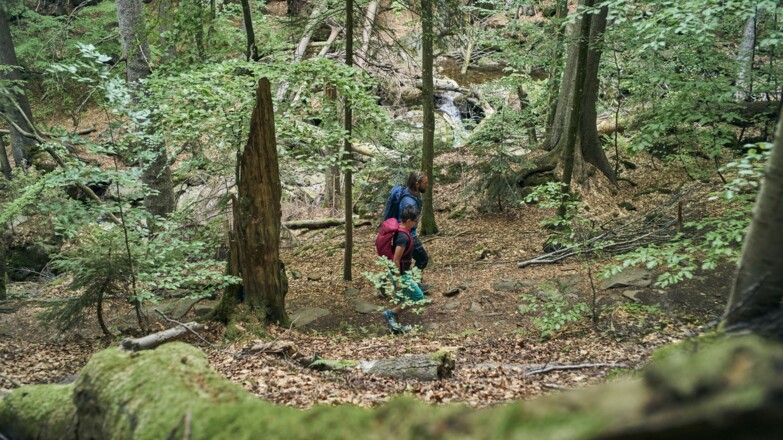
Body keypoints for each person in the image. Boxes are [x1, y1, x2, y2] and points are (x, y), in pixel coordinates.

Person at [382, 205, 425, 334]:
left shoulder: (401, 231)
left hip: (401, 273)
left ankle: (396, 327)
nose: (416, 223)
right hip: (401, 274)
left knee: (402, 299)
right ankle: (390, 313)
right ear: (409, 221)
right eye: (415, 221)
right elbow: (396, 259)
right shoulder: (403, 237)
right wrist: (398, 280)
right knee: (418, 297)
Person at [398, 171, 430, 292]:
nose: (427, 185)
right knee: (422, 259)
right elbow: (406, 222)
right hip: (407, 235)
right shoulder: (409, 202)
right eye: (425, 183)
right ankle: (412, 286)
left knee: (404, 263)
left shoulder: (415, 194)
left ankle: (411, 285)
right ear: (417, 184)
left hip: (409, 234)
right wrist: (408, 239)